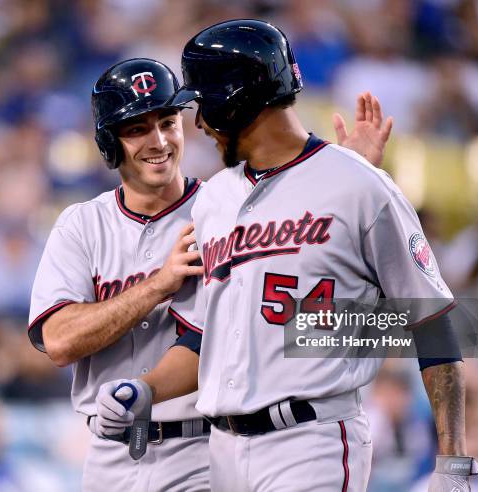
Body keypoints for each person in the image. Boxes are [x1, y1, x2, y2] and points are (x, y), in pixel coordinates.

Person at [92, 20, 478, 491]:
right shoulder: (214, 200)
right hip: (223, 452)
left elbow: (432, 323)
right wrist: (147, 389)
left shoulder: (359, 186)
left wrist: (453, 462)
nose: (199, 124)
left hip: (311, 440)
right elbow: (205, 340)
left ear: (236, 100)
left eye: (204, 106)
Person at [29, 56, 392, 492]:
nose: (159, 140)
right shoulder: (82, 225)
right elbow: (60, 341)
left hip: (202, 447)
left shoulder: (227, 208)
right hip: (108, 454)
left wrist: (346, 178)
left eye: (168, 122)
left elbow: (295, 300)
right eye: (137, 129)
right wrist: (158, 286)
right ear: (110, 142)